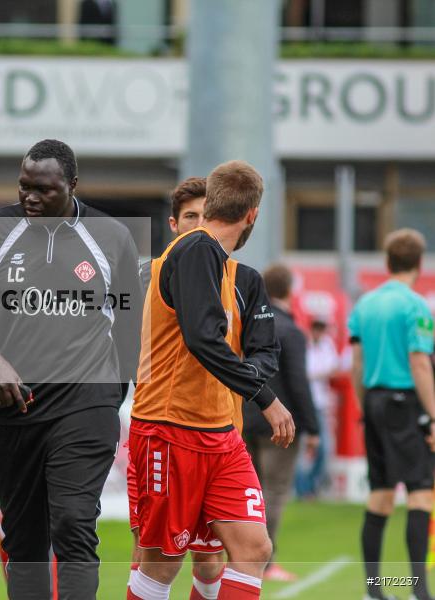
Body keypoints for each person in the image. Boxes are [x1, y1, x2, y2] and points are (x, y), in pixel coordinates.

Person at [0, 139, 143, 599]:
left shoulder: (112, 236)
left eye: (44, 189)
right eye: (23, 187)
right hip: (12, 408)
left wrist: (108, 399)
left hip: (86, 404)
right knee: (23, 540)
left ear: (72, 186)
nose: (31, 199)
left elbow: (129, 331)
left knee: (73, 523)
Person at [128, 160, 295, 600]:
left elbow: (246, 348)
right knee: (161, 564)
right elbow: (204, 339)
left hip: (220, 434)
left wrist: (249, 383)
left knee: (253, 548)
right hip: (171, 428)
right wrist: (265, 396)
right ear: (252, 214)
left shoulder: (225, 266)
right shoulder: (196, 250)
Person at [348, 228, 435, 600]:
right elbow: (419, 362)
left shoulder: (365, 304)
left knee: (381, 494)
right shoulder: (416, 306)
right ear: (419, 263)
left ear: (387, 263)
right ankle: (419, 591)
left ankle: (374, 590)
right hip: (405, 402)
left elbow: (356, 362)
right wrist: (433, 415)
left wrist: (364, 405)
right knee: (420, 492)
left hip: (374, 402)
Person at [242, 264, 320, 582]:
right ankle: (265, 561)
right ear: (289, 290)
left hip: (247, 416)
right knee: (273, 492)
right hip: (280, 422)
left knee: (250, 493)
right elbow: (299, 384)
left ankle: (243, 555)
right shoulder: (291, 330)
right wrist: (313, 427)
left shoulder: (248, 324)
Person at [295, 315, 340, 497]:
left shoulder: (327, 344)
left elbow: (331, 369)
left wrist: (315, 374)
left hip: (319, 404)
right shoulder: (303, 344)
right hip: (302, 403)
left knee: (324, 448)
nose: (321, 333)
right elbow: (307, 373)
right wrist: (319, 373)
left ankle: (308, 486)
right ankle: (302, 489)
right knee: (299, 448)